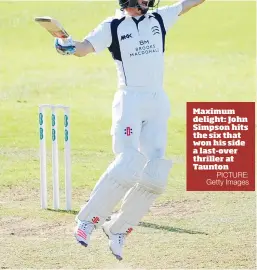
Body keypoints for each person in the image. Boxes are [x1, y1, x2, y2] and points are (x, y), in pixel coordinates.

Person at [55, 0, 205, 261]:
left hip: (157, 102)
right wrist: (68, 46)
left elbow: (189, 3)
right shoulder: (112, 27)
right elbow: (84, 48)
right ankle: (87, 221)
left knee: (156, 175)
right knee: (127, 165)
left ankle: (118, 229)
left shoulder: (159, 19)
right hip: (130, 101)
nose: (147, 1)